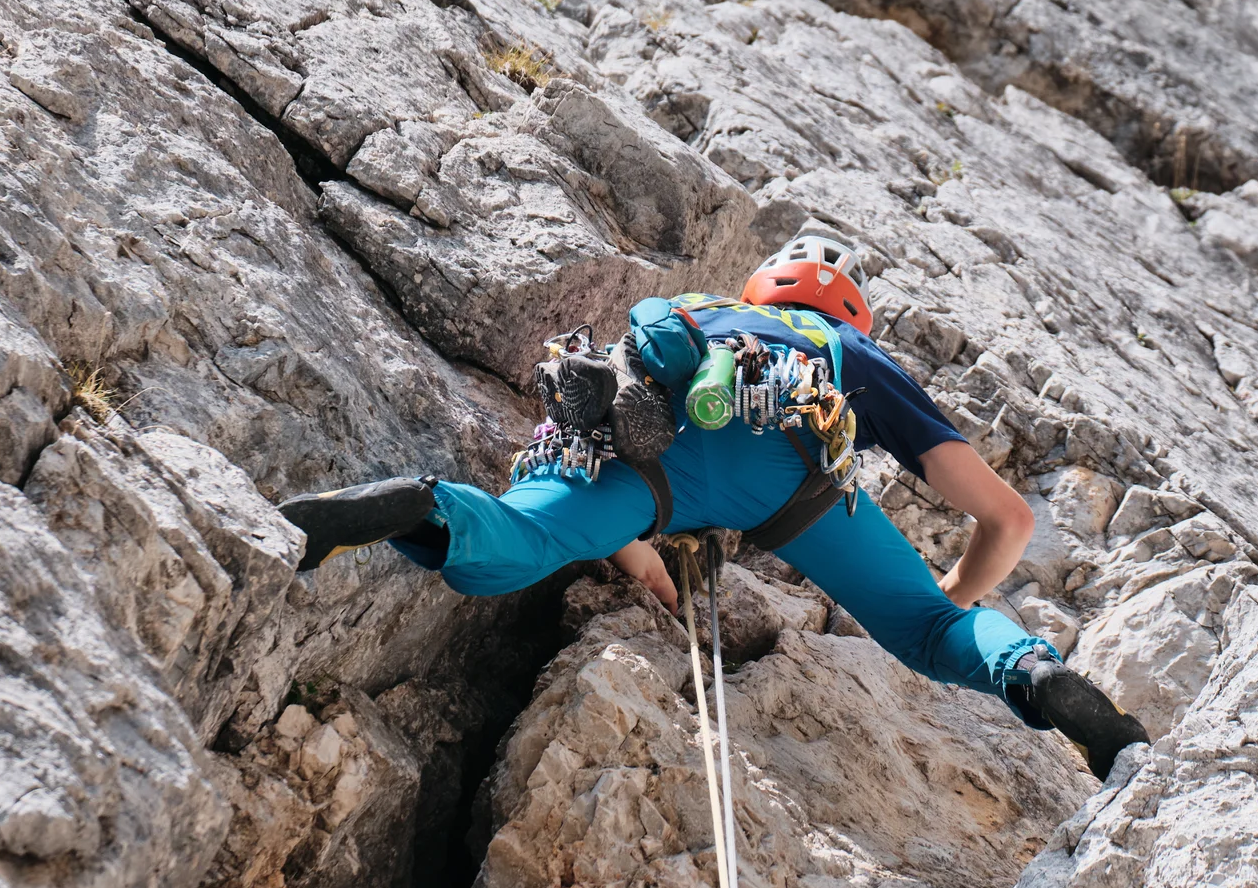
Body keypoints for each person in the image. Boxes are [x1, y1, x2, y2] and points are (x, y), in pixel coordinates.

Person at [277, 235, 1148, 779]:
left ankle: (415, 506)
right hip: (790, 462)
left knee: (524, 539)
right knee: (930, 632)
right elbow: (1009, 521)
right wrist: (948, 599)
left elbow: (612, 420)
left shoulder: (691, 315)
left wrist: (637, 546)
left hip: (642, 451)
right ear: (848, 312)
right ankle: (1038, 677)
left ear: (760, 288)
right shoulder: (844, 348)